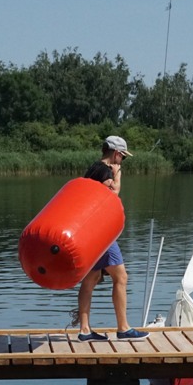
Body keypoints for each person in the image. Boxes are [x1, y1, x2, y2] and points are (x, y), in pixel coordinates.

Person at [76, 135, 149, 342]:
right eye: (122, 157)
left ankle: (84, 330)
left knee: (91, 279)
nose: (122, 161)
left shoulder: (93, 168)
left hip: (90, 232)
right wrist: (118, 175)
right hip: (102, 234)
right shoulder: (105, 170)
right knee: (121, 277)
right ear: (116, 153)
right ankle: (123, 328)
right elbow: (113, 193)